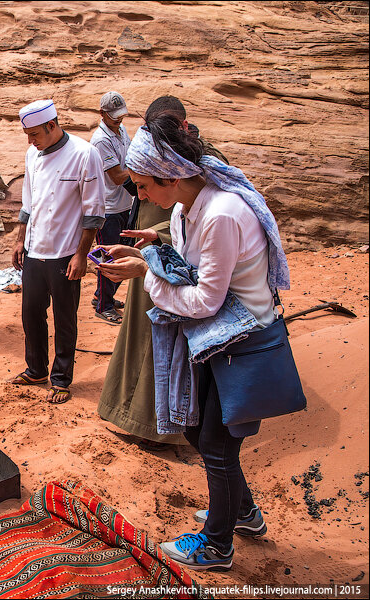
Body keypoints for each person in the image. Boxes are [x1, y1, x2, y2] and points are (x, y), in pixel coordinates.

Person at [97, 112, 289, 570]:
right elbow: (186, 262)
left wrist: (146, 272)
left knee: (217, 444)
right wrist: (147, 251)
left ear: (171, 176)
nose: (141, 195)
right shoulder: (189, 207)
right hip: (212, 339)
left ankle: (218, 545)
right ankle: (242, 512)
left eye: (144, 186)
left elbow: (205, 297)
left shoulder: (221, 214)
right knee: (196, 431)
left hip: (237, 344)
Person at [97, 95, 229, 447]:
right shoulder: (154, 164)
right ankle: (135, 418)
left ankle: (161, 430)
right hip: (154, 261)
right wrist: (153, 241)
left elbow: (201, 238)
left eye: (145, 186)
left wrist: (156, 256)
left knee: (168, 348)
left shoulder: (204, 176)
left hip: (175, 276)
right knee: (142, 339)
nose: (142, 193)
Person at [9, 99, 106, 404]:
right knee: (31, 314)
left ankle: (61, 378)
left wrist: (81, 256)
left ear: (52, 125)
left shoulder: (84, 154)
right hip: (35, 250)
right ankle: (36, 368)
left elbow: (93, 212)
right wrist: (19, 239)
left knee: (65, 319)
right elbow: (29, 201)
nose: (30, 140)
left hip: (66, 252)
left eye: (34, 133)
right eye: (27, 134)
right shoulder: (32, 154)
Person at [89, 91, 135, 324]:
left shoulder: (121, 130)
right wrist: (140, 170)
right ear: (102, 114)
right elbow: (117, 176)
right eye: (113, 116)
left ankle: (102, 296)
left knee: (123, 252)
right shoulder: (101, 140)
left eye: (121, 115)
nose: (118, 119)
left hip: (124, 204)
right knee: (109, 257)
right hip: (108, 208)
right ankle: (104, 305)